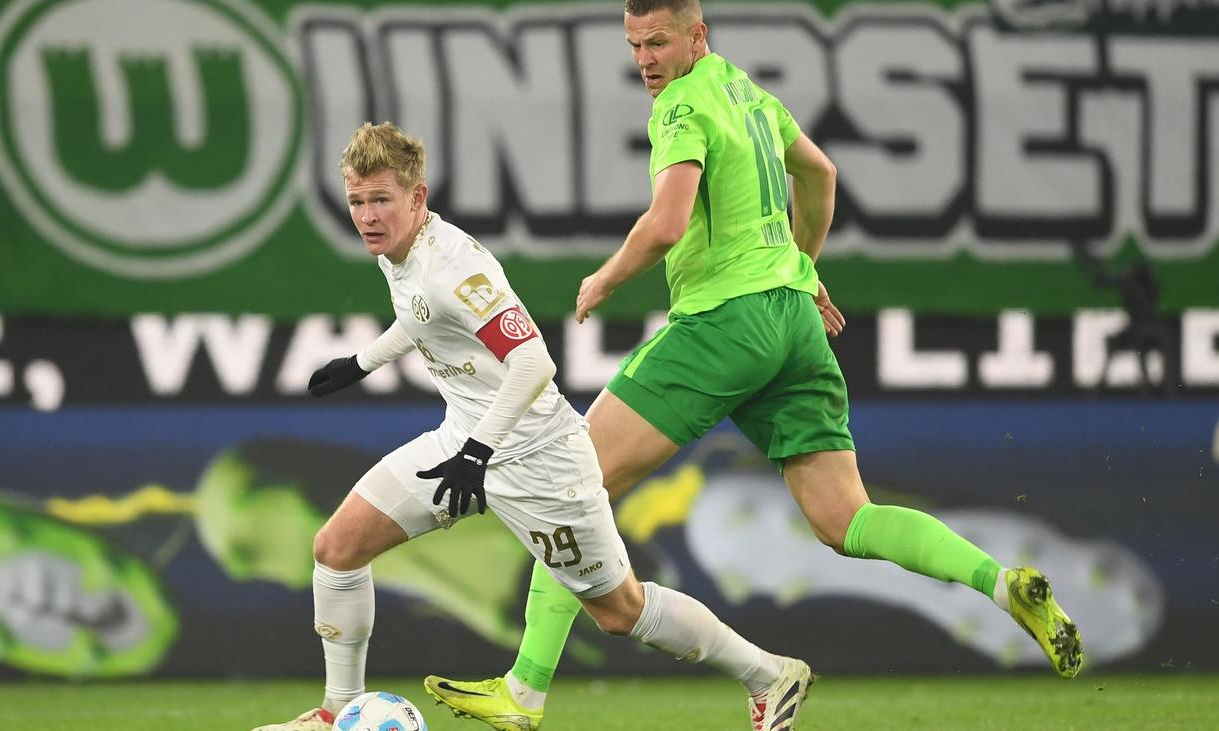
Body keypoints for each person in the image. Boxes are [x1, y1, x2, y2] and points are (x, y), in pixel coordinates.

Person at [425, 1, 1084, 729]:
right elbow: (821, 174)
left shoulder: (681, 106)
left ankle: (524, 692)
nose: (645, 60)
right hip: (796, 323)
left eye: (658, 42)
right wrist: (802, 267)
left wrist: (605, 278)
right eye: (635, 45)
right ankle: (1001, 583)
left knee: (568, 482)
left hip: (724, 323)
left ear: (697, 35)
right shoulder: (749, 94)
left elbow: (667, 223)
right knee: (846, 519)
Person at [252, 121, 815, 731]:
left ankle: (769, 674)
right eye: (357, 201)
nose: (367, 216)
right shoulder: (401, 253)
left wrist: (478, 451)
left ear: (417, 197)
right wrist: (362, 363)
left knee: (619, 611)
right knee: (336, 548)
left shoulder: (454, 269)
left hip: (539, 458)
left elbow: (533, 362)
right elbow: (420, 316)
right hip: (462, 441)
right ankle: (337, 713)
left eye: (381, 199)